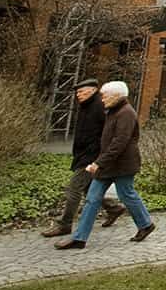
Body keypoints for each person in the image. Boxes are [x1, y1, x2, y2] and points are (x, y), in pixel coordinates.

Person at [54, 80, 155, 250]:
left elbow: (119, 142)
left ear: (117, 96)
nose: (102, 99)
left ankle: (145, 224)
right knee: (92, 199)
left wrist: (98, 163)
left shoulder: (126, 113)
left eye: (105, 95)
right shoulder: (112, 111)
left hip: (122, 165)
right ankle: (79, 238)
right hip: (108, 164)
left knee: (127, 195)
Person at [41, 78, 126, 238]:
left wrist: (100, 157)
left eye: (81, 91)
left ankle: (65, 225)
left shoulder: (99, 107)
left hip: (91, 157)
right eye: (77, 92)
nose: (77, 95)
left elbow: (109, 133)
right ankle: (113, 208)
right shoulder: (86, 106)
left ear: (93, 90)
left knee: (74, 189)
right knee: (89, 189)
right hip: (84, 155)